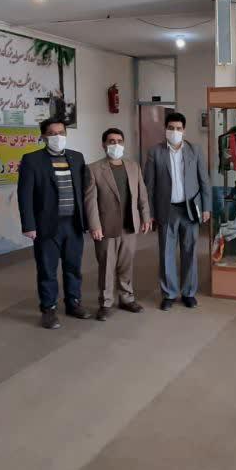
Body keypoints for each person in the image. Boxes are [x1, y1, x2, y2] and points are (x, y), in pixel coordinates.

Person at [18, 117, 91, 329]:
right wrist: (29, 225)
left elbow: (84, 192)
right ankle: (48, 309)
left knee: (73, 267)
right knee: (47, 269)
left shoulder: (77, 158)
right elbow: (25, 195)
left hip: (73, 224)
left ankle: (73, 303)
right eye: (52, 133)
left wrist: (88, 221)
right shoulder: (32, 160)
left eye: (61, 133)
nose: (57, 137)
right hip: (46, 225)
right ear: (43, 136)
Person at [143, 112, 211, 310]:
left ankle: (189, 293)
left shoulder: (194, 150)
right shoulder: (155, 152)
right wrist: (150, 213)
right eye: (171, 128)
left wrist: (206, 208)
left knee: (190, 251)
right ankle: (169, 294)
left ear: (184, 130)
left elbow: (204, 181)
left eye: (178, 128)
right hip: (167, 209)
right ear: (165, 129)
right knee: (166, 253)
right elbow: (149, 186)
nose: (175, 132)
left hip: (190, 209)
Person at [84, 128, 152, 320]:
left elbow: (142, 194)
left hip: (129, 225)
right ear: (103, 144)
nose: (116, 145)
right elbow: (90, 200)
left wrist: (146, 217)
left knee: (126, 265)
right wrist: (94, 226)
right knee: (106, 266)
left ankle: (127, 298)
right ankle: (105, 303)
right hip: (106, 227)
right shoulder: (93, 169)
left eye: (119, 141)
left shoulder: (133, 166)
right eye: (111, 141)